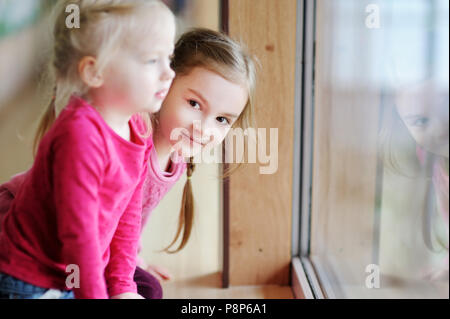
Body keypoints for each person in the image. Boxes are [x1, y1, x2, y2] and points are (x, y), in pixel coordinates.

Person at [0, 0, 176, 299]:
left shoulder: (139, 125)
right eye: (151, 60)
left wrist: (123, 288)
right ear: (94, 72)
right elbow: (79, 238)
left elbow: (127, 216)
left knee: (147, 290)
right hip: (28, 277)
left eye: (168, 58)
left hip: (72, 271)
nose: (168, 73)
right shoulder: (80, 136)